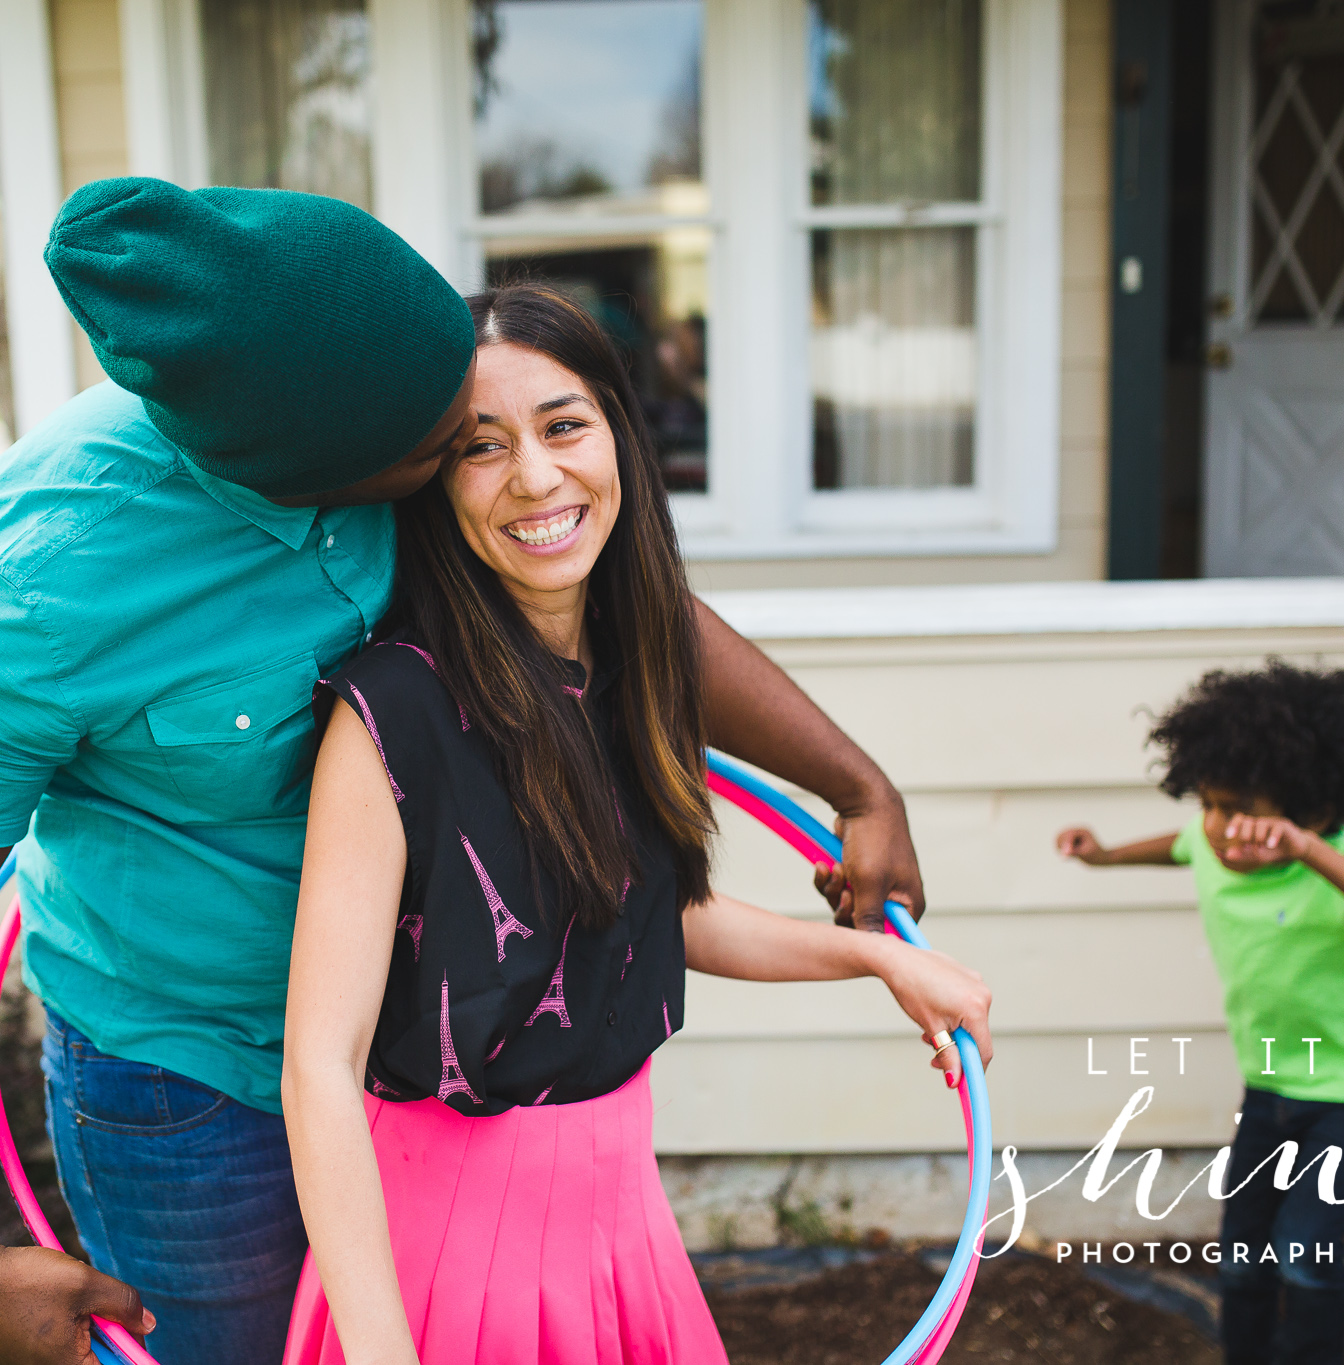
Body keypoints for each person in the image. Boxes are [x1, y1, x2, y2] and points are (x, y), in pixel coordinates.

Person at [0, 180, 929, 1365]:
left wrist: (853, 783)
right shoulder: (28, 600)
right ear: (310, 471)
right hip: (199, 1079)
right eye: (450, 449)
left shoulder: (377, 386)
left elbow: (601, 593)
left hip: (426, 1084)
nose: (495, 460)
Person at [280, 284, 995, 1365]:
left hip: (622, 1232)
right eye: (481, 449)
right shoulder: (394, 713)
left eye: (564, 424)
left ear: (618, 431)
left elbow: (653, 915)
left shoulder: (625, 671)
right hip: (447, 1253)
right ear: (435, 485)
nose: (535, 476)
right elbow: (316, 1068)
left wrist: (875, 962)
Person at [1055, 660, 1344, 1365]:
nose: (1220, 829)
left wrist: (1311, 851)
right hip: (1271, 1086)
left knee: (1305, 1253)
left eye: (1240, 809)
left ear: (1313, 810)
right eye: (1210, 804)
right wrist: (1103, 857)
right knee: (1243, 1253)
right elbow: (1178, 845)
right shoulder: (1210, 843)